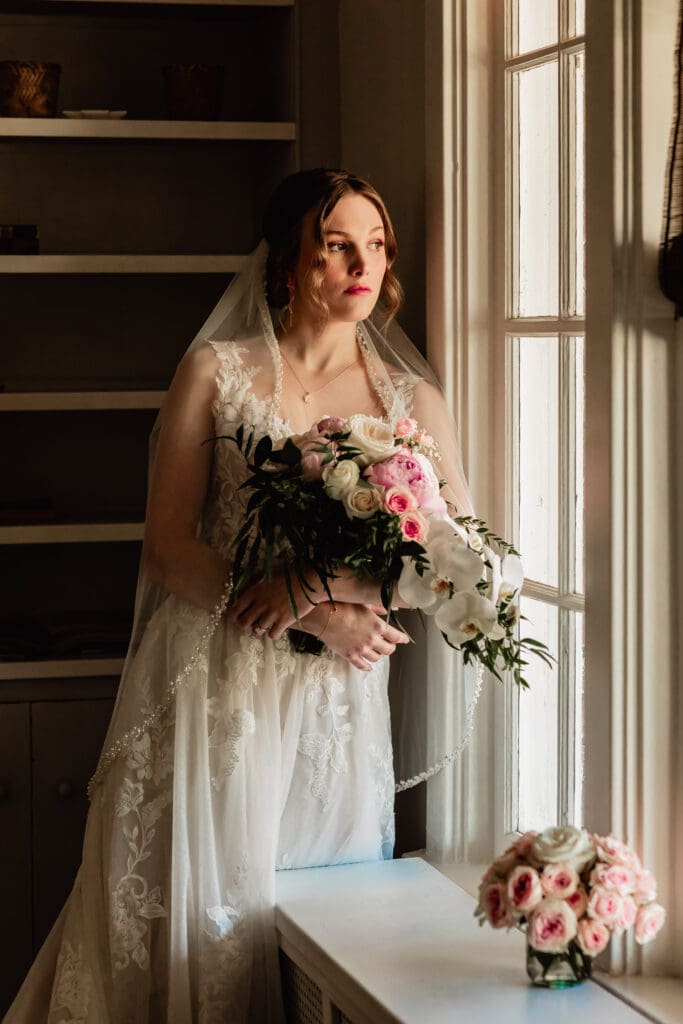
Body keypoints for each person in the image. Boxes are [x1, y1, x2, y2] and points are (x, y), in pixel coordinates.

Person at [4, 169, 474, 1023]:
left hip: (336, 696)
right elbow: (166, 548)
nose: (359, 264)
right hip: (212, 679)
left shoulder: (412, 402)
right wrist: (299, 603)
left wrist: (320, 592)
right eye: (335, 245)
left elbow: (454, 564)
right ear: (289, 260)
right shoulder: (216, 372)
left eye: (375, 246)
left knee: (306, 922)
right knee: (188, 914)